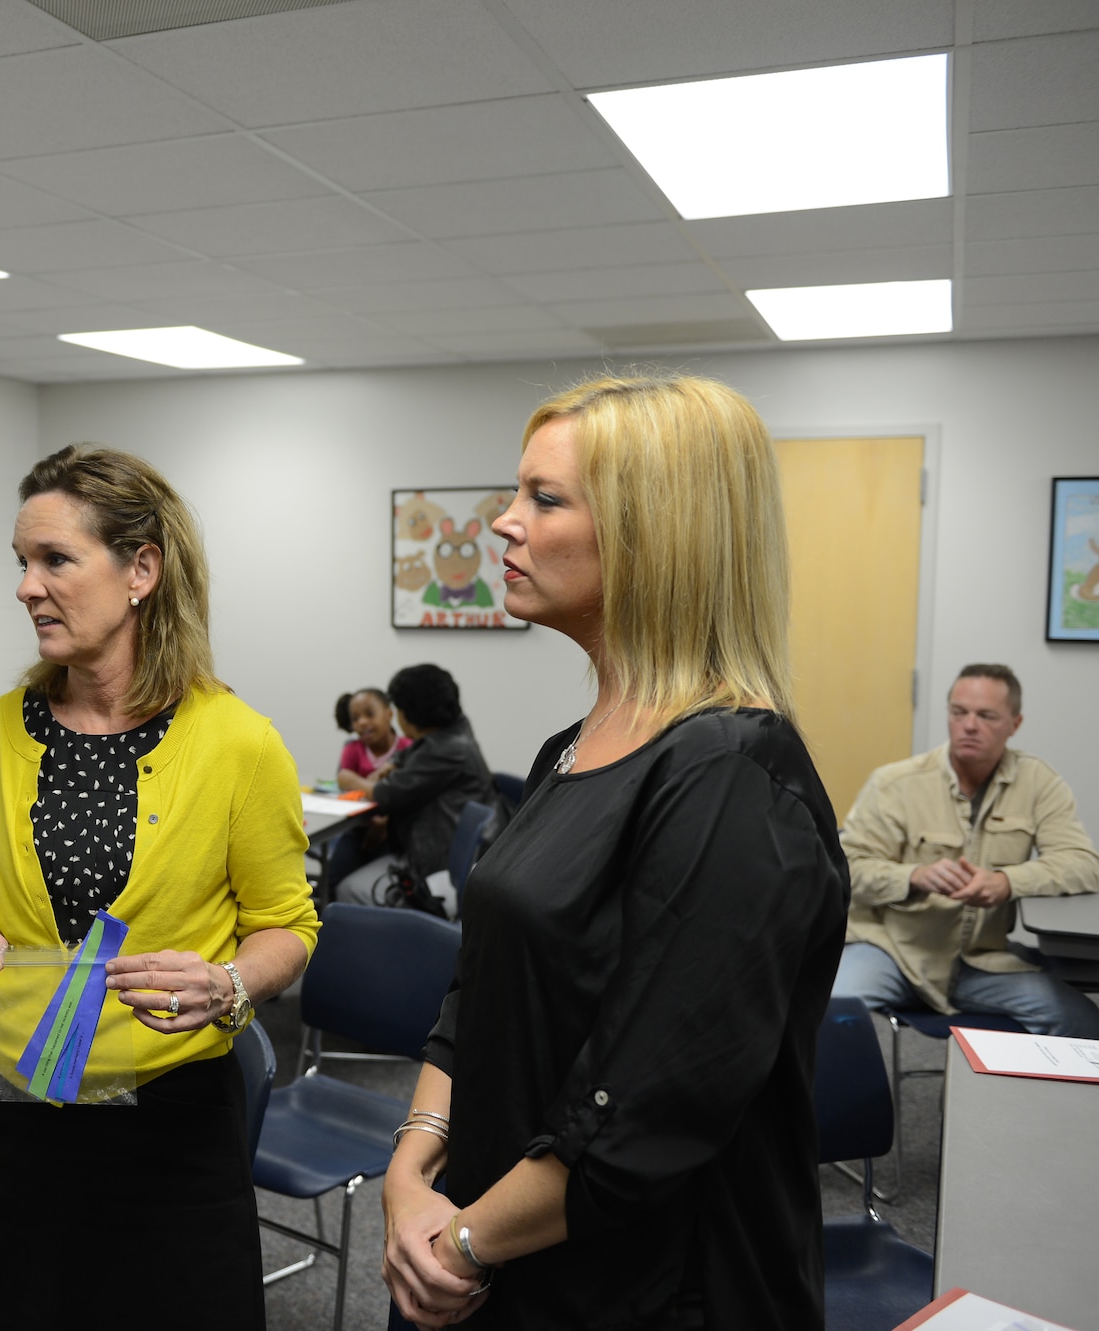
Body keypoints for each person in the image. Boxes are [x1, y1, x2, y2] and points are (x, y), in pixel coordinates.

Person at [381, 374, 847, 1331]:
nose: (501, 524)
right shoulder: (570, 747)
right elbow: (481, 989)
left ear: (654, 533)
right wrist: (412, 1160)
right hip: (500, 1245)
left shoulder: (731, 773)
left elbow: (640, 1113)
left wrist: (460, 1242)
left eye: (544, 499)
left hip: (645, 1288)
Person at [0, 445, 319, 1331]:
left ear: (142, 570)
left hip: (170, 1122)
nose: (27, 586)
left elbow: (287, 923)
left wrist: (232, 983)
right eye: (21, 562)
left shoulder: (240, 741)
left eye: (55, 559)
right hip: (14, 1107)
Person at [834, 664, 1099, 1037]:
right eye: (959, 713)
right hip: (893, 952)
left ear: (1015, 723)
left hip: (981, 962)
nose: (969, 725)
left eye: (986, 716)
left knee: (1082, 1024)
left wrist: (1007, 882)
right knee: (832, 1011)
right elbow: (847, 868)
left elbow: (1083, 864)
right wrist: (914, 876)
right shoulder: (896, 783)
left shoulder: (1039, 782)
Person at [336, 664, 500, 915]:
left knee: (347, 888)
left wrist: (351, 780)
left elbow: (386, 794)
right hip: (447, 849)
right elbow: (413, 751)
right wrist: (392, 763)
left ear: (405, 714)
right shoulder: (455, 730)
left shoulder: (444, 750)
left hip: (439, 867)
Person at [337, 686, 411, 792]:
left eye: (370, 714)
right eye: (355, 718)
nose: (362, 722)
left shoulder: (409, 747)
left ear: (389, 714)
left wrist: (360, 784)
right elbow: (344, 784)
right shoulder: (352, 749)